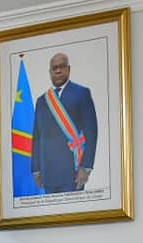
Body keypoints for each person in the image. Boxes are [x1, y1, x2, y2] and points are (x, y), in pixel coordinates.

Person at [31, 52, 98, 194]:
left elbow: (91, 133)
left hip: (73, 172)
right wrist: (36, 169)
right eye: (54, 68)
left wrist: (85, 167)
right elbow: (37, 137)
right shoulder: (42, 101)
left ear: (68, 69)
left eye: (61, 66)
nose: (58, 70)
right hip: (48, 173)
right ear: (50, 72)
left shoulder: (81, 93)